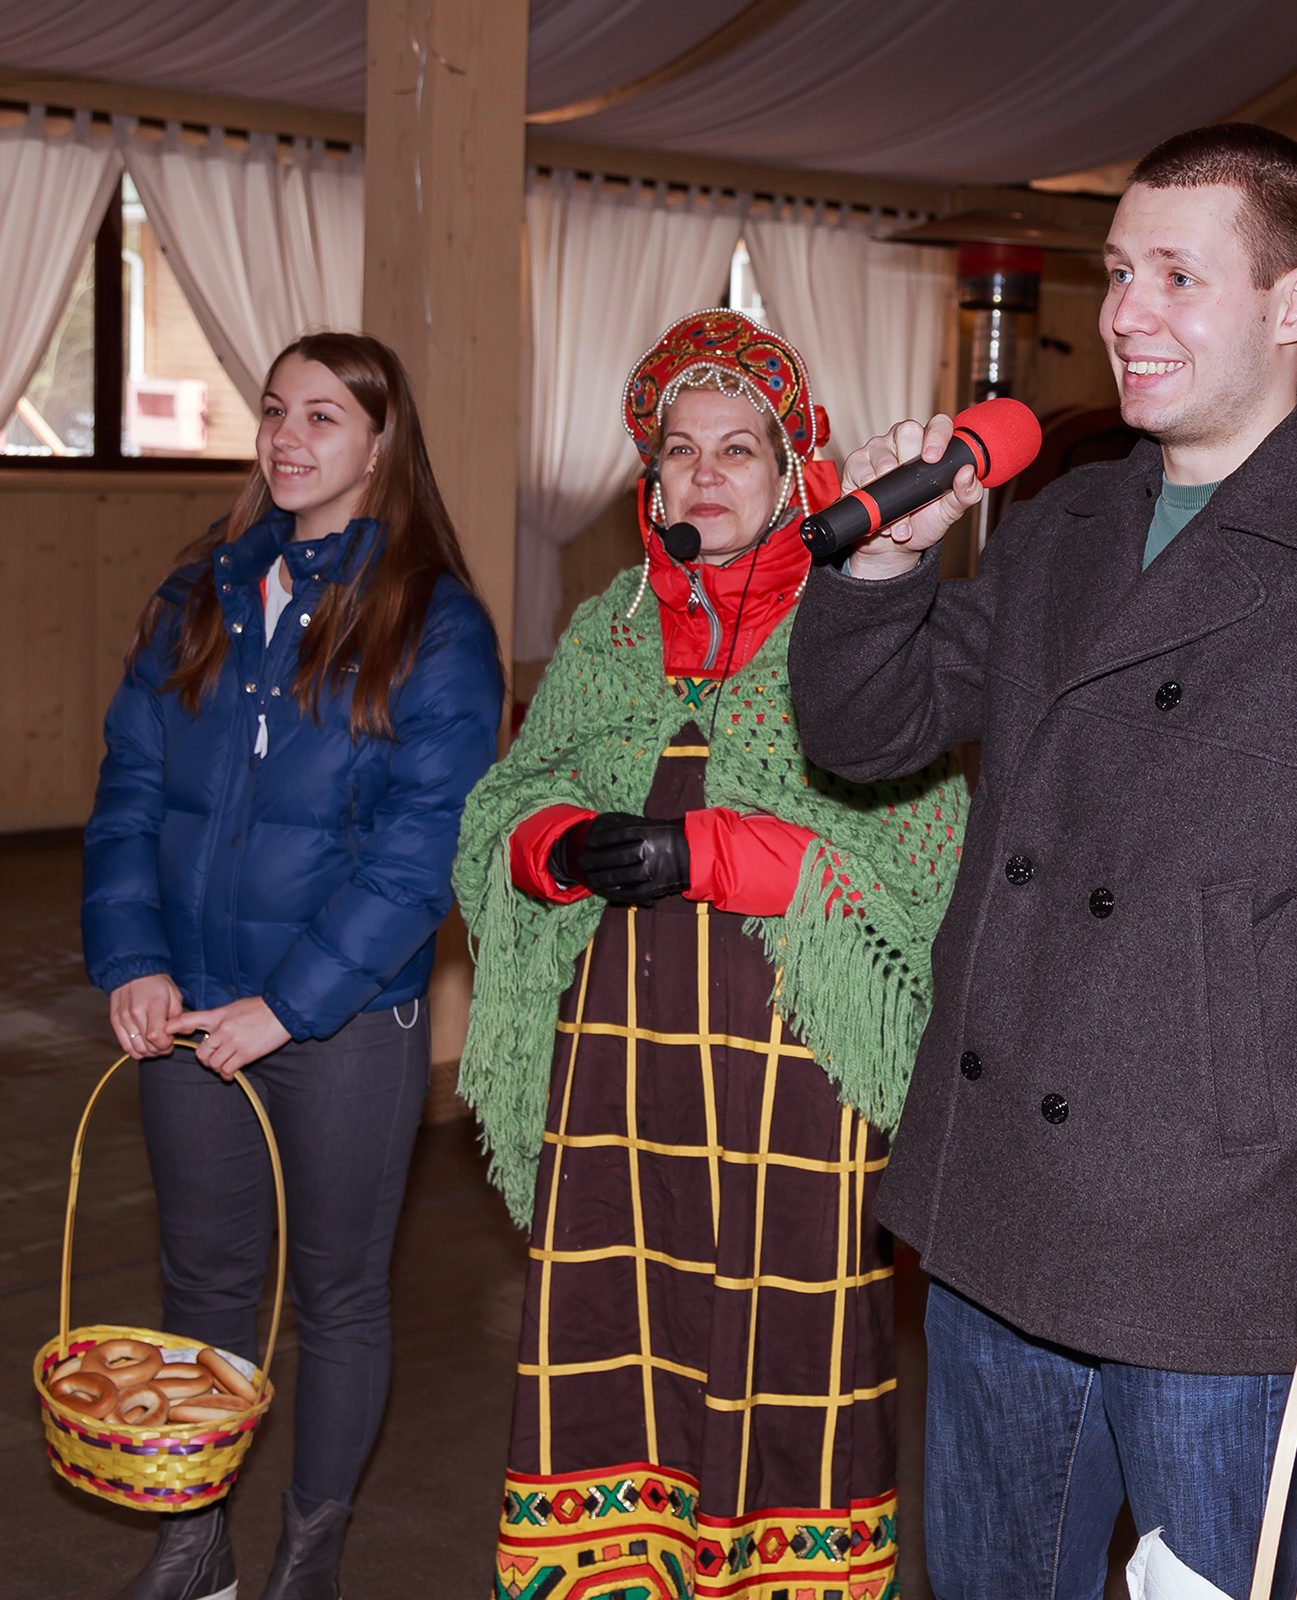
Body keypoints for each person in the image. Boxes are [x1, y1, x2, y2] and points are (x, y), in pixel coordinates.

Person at [787, 125, 1297, 1598]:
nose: (1124, 315)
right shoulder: (1067, 527)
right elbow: (867, 731)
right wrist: (882, 572)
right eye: (1114, 273)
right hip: (998, 1221)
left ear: (1294, 305)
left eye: (1176, 276)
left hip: (1228, 1255)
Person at [452, 308, 969, 1600]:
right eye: (681, 450)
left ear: (799, 473)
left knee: (791, 1337)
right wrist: (561, 845)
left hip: (800, 1077)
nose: (704, 474)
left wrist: (712, 857)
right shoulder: (606, 638)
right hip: (620, 1085)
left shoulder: (863, 639)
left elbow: (916, 873)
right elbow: (503, 809)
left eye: (740, 449)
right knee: (619, 1332)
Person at [81, 332, 503, 1600]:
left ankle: (307, 1556)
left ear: (383, 445)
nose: (287, 436)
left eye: (325, 416)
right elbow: (128, 796)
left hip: (340, 1027)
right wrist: (134, 958)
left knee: (335, 1298)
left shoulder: (435, 621)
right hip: (187, 1007)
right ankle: (192, 1537)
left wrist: (292, 1003)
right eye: (274, 411)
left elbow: (423, 853)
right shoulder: (197, 595)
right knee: (201, 1285)